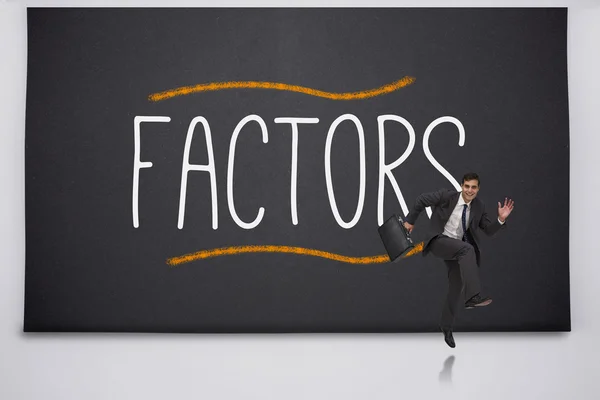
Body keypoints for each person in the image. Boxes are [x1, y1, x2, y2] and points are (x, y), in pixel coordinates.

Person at [403, 173, 514, 348]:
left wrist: (501, 219)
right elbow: (421, 200)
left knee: (456, 286)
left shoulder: (479, 206)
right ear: (462, 186)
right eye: (467, 186)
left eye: (474, 187)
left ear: (478, 189)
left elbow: (489, 231)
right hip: (438, 241)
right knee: (467, 249)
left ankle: (446, 327)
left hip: (457, 248)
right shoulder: (446, 196)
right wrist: (410, 220)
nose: (470, 190)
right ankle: (473, 297)